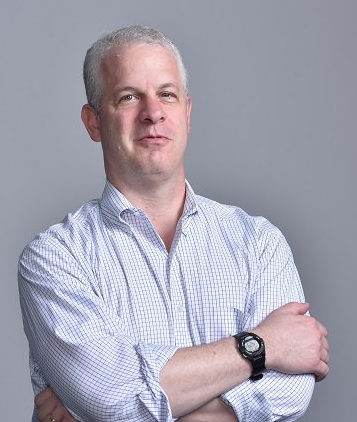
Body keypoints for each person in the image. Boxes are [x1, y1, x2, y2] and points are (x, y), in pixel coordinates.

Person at [18, 26, 329, 422]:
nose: (153, 113)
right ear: (93, 123)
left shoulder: (258, 243)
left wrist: (120, 411)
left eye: (167, 94)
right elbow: (112, 399)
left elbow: (290, 391)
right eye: (129, 97)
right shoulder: (55, 257)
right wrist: (262, 347)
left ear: (186, 111)